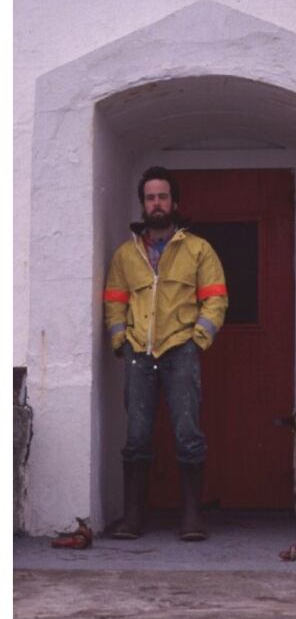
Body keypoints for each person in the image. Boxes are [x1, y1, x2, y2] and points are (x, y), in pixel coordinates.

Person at [103, 166, 228, 541]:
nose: (156, 204)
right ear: (143, 204)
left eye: (162, 197)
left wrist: (197, 340)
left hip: (180, 352)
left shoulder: (198, 250)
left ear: (174, 202)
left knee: (188, 434)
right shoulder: (126, 255)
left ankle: (191, 518)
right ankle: (132, 519)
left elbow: (216, 300)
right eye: (150, 197)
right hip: (139, 353)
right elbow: (114, 303)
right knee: (137, 436)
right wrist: (121, 341)